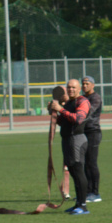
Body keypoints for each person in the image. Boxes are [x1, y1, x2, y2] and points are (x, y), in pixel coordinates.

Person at [49, 79, 90, 215]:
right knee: (73, 172)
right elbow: (64, 121)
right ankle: (78, 203)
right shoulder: (68, 103)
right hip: (67, 140)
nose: (71, 89)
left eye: (73, 87)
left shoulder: (82, 101)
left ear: (79, 89)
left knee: (78, 171)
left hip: (77, 140)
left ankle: (83, 206)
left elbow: (78, 119)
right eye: (69, 87)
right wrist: (54, 112)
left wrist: (60, 109)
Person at [82, 76, 103, 202]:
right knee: (85, 163)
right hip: (83, 132)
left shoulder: (95, 98)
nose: (85, 86)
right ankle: (87, 191)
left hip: (93, 132)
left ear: (93, 85)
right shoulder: (83, 98)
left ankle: (95, 193)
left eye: (87, 83)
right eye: (83, 84)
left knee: (92, 163)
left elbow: (87, 112)